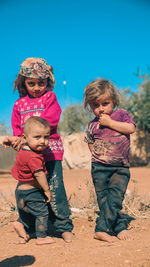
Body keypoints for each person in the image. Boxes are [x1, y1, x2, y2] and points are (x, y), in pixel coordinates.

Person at [3, 57, 74, 243]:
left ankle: (63, 227)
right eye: (31, 83)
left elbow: (51, 120)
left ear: (47, 82)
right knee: (30, 192)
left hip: (51, 153)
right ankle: (29, 226)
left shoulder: (50, 97)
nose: (36, 88)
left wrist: (32, 134)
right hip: (28, 157)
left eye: (41, 83)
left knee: (55, 189)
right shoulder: (19, 104)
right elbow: (17, 129)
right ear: (23, 83)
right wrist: (18, 139)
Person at [83, 78, 136, 242]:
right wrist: (97, 156)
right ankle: (119, 227)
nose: (100, 109)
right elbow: (90, 143)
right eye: (95, 106)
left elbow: (131, 128)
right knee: (104, 200)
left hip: (120, 166)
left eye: (105, 103)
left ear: (114, 101)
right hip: (99, 168)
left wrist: (110, 122)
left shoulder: (121, 115)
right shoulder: (92, 125)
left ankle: (101, 229)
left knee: (115, 198)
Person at [11, 116, 55, 245]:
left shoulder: (23, 150)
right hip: (32, 192)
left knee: (27, 214)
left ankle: (20, 225)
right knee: (42, 213)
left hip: (20, 192)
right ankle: (41, 237)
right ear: (24, 138)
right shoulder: (33, 157)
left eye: (46, 137)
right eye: (37, 137)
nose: (42, 141)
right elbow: (39, 174)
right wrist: (47, 190)